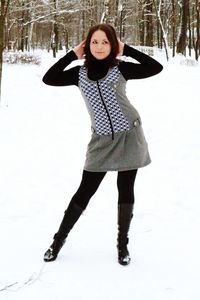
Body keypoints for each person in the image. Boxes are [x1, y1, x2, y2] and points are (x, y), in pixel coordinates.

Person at [42, 23, 163, 266]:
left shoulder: (121, 69)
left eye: (105, 42)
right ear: (87, 44)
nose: (99, 46)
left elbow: (155, 67)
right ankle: (58, 241)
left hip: (129, 135)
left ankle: (122, 246)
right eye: (94, 42)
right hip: (101, 140)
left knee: (125, 190)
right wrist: (72, 55)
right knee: (84, 191)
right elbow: (49, 78)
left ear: (113, 45)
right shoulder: (78, 74)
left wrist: (126, 49)